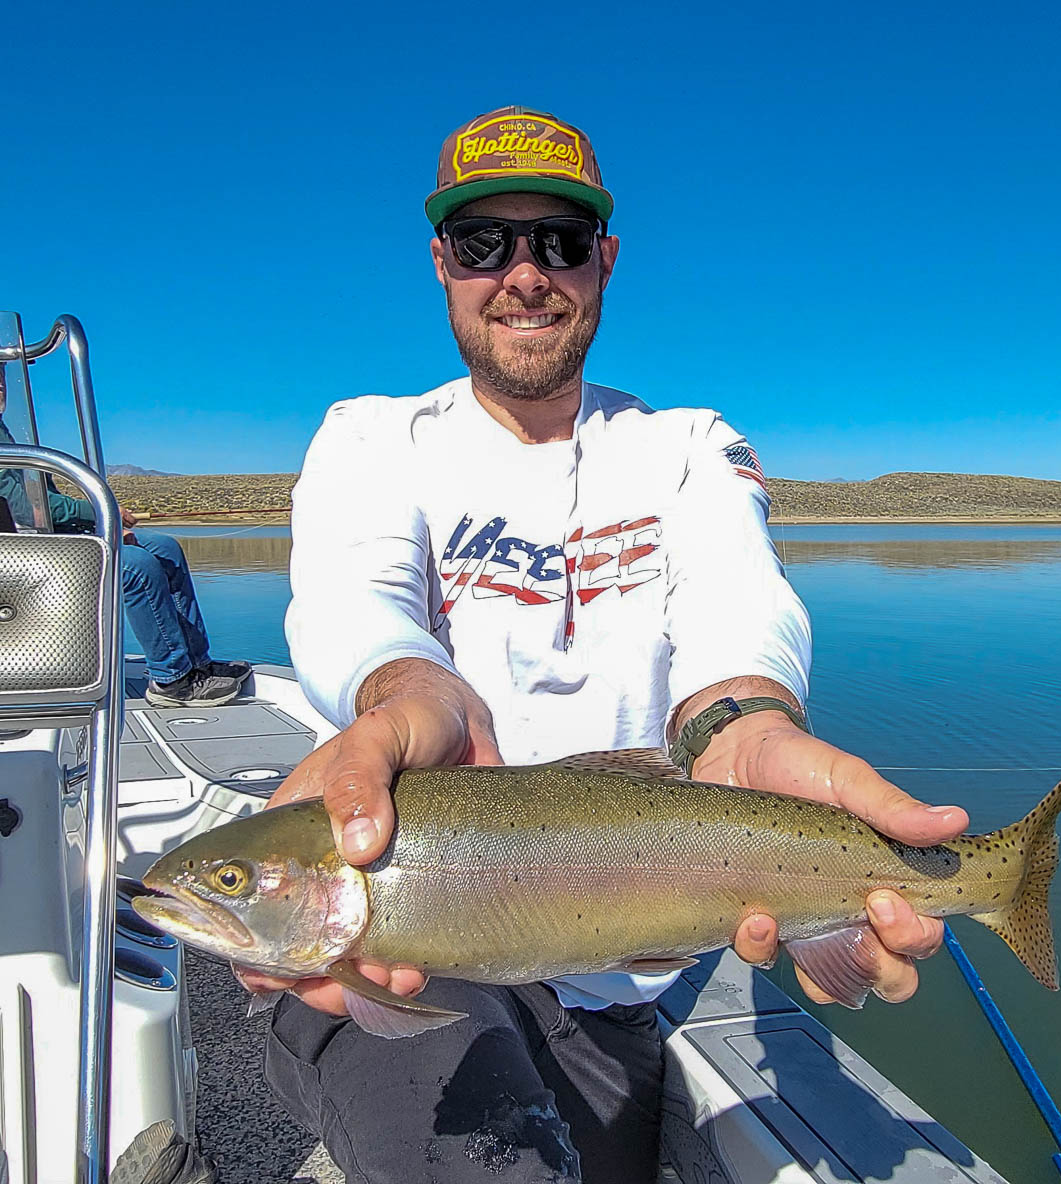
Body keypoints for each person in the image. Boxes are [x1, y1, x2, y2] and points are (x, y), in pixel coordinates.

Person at [245, 107, 969, 1184]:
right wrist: (412, 700)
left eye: (561, 241)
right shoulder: (367, 437)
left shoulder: (690, 448)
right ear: (443, 262)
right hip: (409, 953)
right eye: (488, 242)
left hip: (628, 973)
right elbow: (360, 602)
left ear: (605, 262)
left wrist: (746, 723)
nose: (525, 272)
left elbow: (739, 604)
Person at [0, 364, 250, 706]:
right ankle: (172, 680)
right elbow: (29, 511)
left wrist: (100, 522)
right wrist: (104, 512)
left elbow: (43, 502)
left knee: (165, 548)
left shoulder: (4, 429)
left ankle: (196, 664)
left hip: (46, 538)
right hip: (20, 550)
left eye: (1, 375)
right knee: (135, 567)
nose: (1, 386)